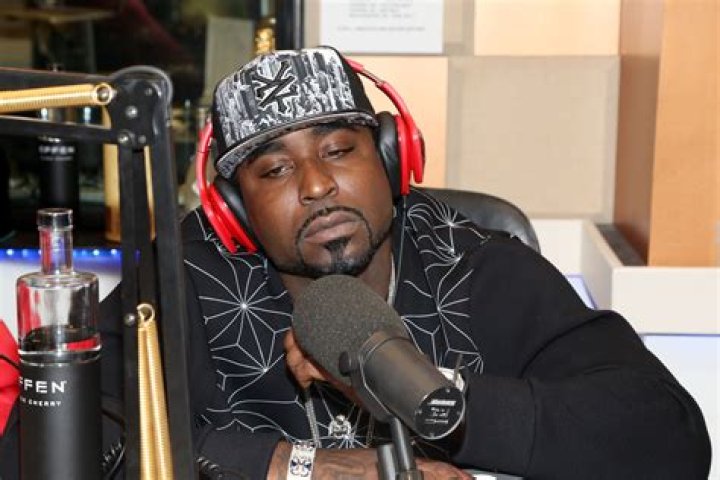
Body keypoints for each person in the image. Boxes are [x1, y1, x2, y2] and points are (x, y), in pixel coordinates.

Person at [0, 46, 711, 479]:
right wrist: (296, 466)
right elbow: (37, 449)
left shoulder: (480, 268)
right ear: (234, 209)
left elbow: (668, 438)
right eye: (275, 170)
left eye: (339, 150)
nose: (316, 185)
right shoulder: (185, 280)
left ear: (394, 159)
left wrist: (437, 398)